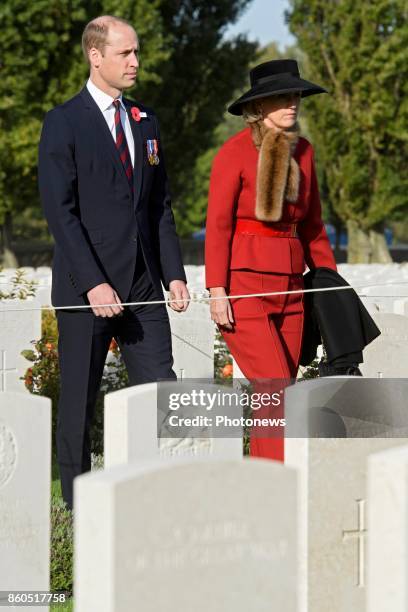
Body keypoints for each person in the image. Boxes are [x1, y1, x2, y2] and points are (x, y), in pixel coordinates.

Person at [38, 15, 189, 510]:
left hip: (145, 286)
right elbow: (61, 213)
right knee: (78, 406)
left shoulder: (146, 120)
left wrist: (173, 273)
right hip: (89, 292)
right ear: (95, 56)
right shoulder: (65, 121)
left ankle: (159, 502)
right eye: (125, 53)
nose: (136, 62)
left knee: (162, 397)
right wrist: (95, 283)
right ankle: (77, 515)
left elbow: (159, 206)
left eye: (137, 52)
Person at [205, 59, 337, 461]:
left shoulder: (307, 152)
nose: (292, 103)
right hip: (244, 285)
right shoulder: (233, 153)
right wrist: (217, 290)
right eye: (282, 96)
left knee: (284, 391)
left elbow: (313, 225)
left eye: (296, 95)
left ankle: (271, 478)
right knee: (274, 385)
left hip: (292, 285)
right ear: (258, 106)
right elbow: (218, 225)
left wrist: (331, 282)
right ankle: (275, 483)